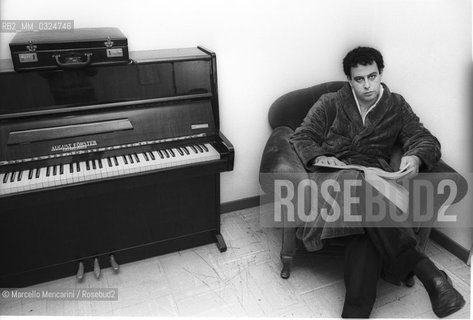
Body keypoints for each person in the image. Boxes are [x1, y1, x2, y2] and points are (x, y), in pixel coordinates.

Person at [289, 46, 465, 318]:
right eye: (359, 79)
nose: (367, 85)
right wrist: (322, 156)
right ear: (349, 80)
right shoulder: (330, 103)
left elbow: (425, 138)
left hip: (375, 181)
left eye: (372, 76)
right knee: (356, 188)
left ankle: (355, 313)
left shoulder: (395, 106)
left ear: (381, 73)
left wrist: (416, 157)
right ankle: (430, 274)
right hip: (333, 179)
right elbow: (302, 137)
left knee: (366, 224)